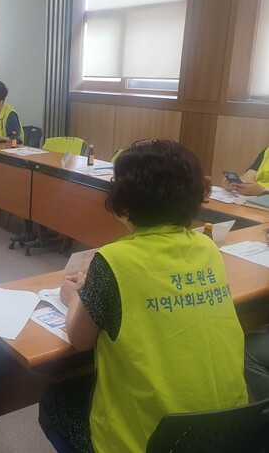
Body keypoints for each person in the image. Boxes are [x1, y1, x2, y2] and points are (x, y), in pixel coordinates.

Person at [40, 140, 247, 452]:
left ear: (123, 199)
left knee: (54, 401)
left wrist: (75, 295)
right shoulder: (207, 247)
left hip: (155, 441)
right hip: (228, 432)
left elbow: (80, 339)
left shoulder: (115, 259)